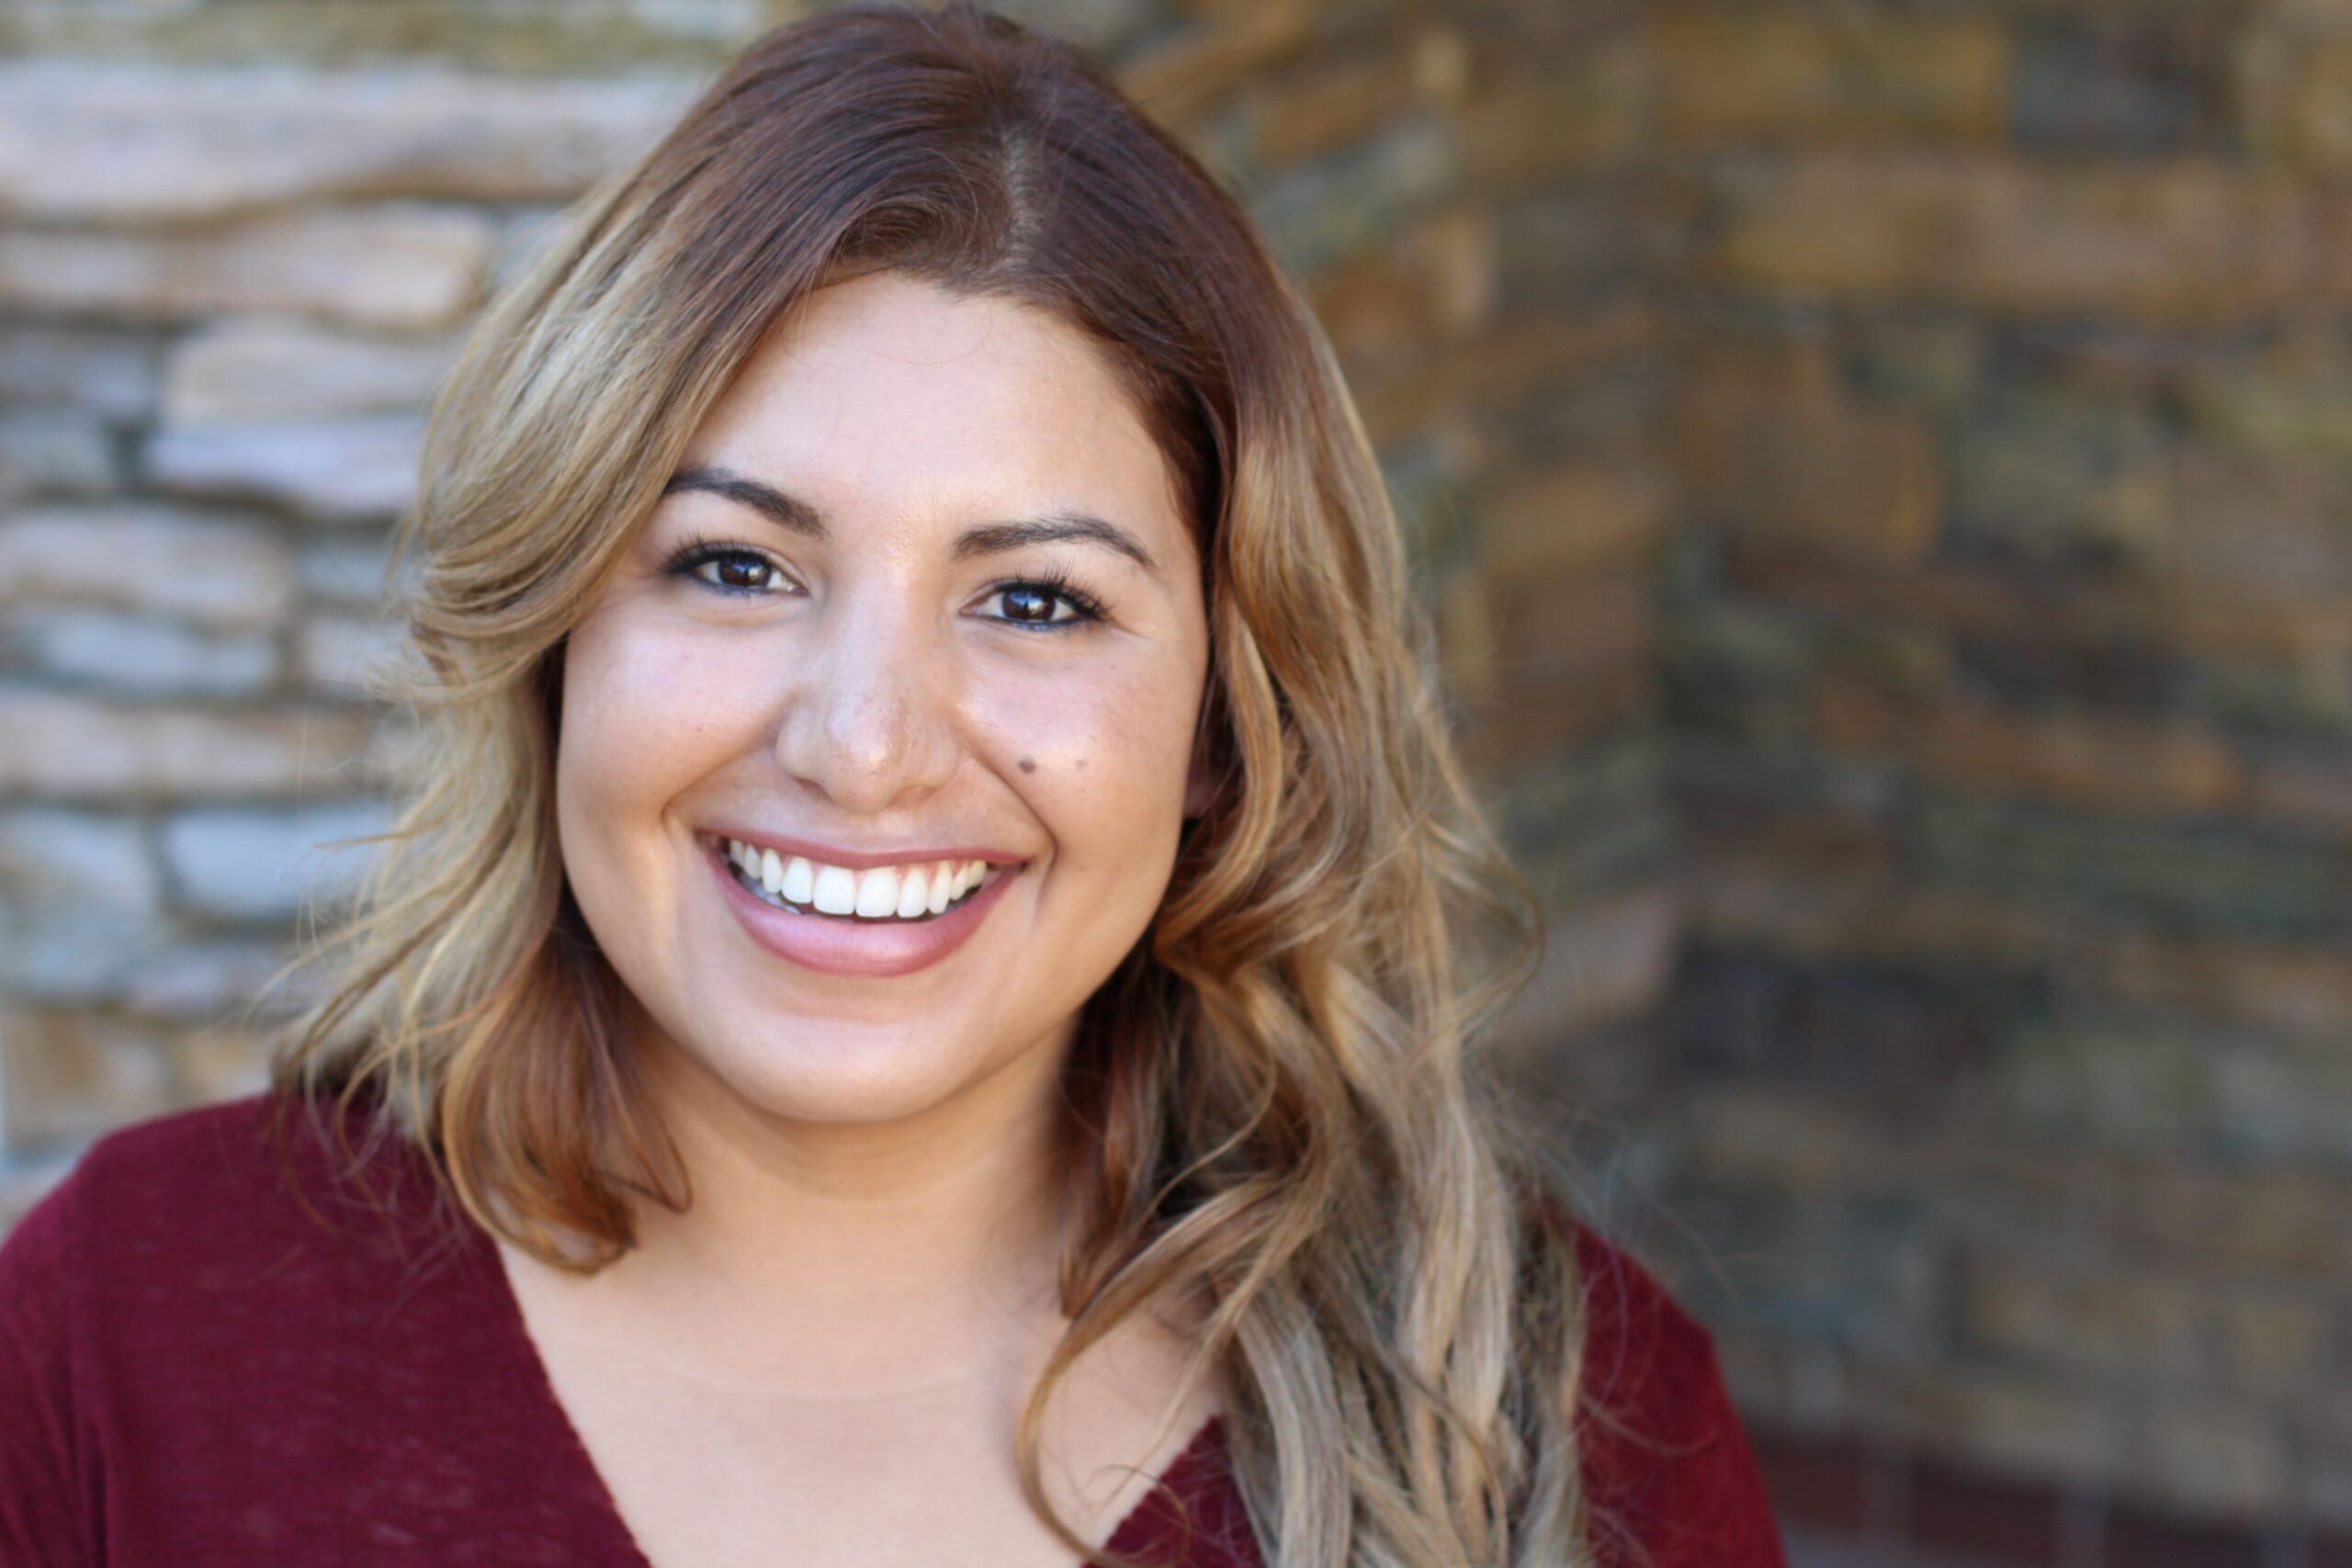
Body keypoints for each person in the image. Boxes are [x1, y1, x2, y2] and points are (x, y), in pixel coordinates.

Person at [0, 6, 1787, 1565]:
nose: (863, 744)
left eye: (1034, 600)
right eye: (734, 564)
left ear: (1220, 731)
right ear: (554, 642)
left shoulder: (1548, 1425)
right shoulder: (123, 1332)